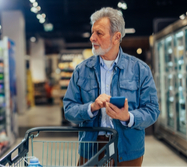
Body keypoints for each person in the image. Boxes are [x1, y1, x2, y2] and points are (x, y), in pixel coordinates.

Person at [63, 7, 160, 167]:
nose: (92, 38)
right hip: (91, 148)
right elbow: (69, 109)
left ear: (116, 37)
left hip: (128, 148)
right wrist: (91, 107)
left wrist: (128, 117)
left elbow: (152, 110)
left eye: (99, 33)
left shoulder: (140, 70)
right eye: (92, 32)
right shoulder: (81, 70)